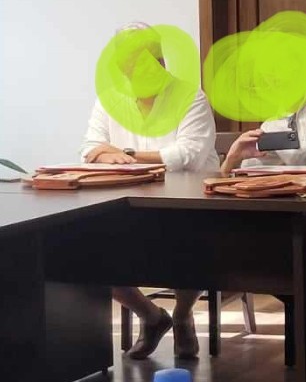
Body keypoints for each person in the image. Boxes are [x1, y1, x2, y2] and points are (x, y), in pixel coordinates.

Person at [81, 21, 219, 361]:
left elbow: (187, 155)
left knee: (190, 246)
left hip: (188, 204)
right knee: (85, 250)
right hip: (127, 203)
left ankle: (183, 315)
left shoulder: (190, 96)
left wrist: (124, 154)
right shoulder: (110, 100)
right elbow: (90, 148)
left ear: (161, 60)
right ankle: (152, 316)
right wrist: (107, 153)